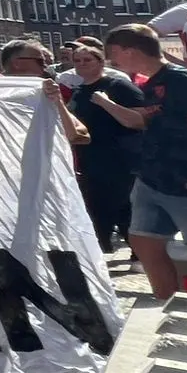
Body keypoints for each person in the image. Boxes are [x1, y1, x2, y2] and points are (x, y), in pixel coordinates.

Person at [98, 22, 187, 302]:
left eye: (113, 53)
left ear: (129, 51)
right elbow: (144, 119)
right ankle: (166, 300)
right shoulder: (153, 83)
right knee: (144, 240)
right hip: (152, 177)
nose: (111, 61)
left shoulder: (182, 81)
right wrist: (105, 104)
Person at [65, 43, 144, 257]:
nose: (81, 64)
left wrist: (106, 103)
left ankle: (140, 256)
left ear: (101, 62)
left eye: (87, 60)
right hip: (91, 159)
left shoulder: (118, 86)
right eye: (77, 61)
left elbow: (138, 121)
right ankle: (99, 252)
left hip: (120, 159)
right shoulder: (79, 91)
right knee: (97, 210)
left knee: (123, 208)